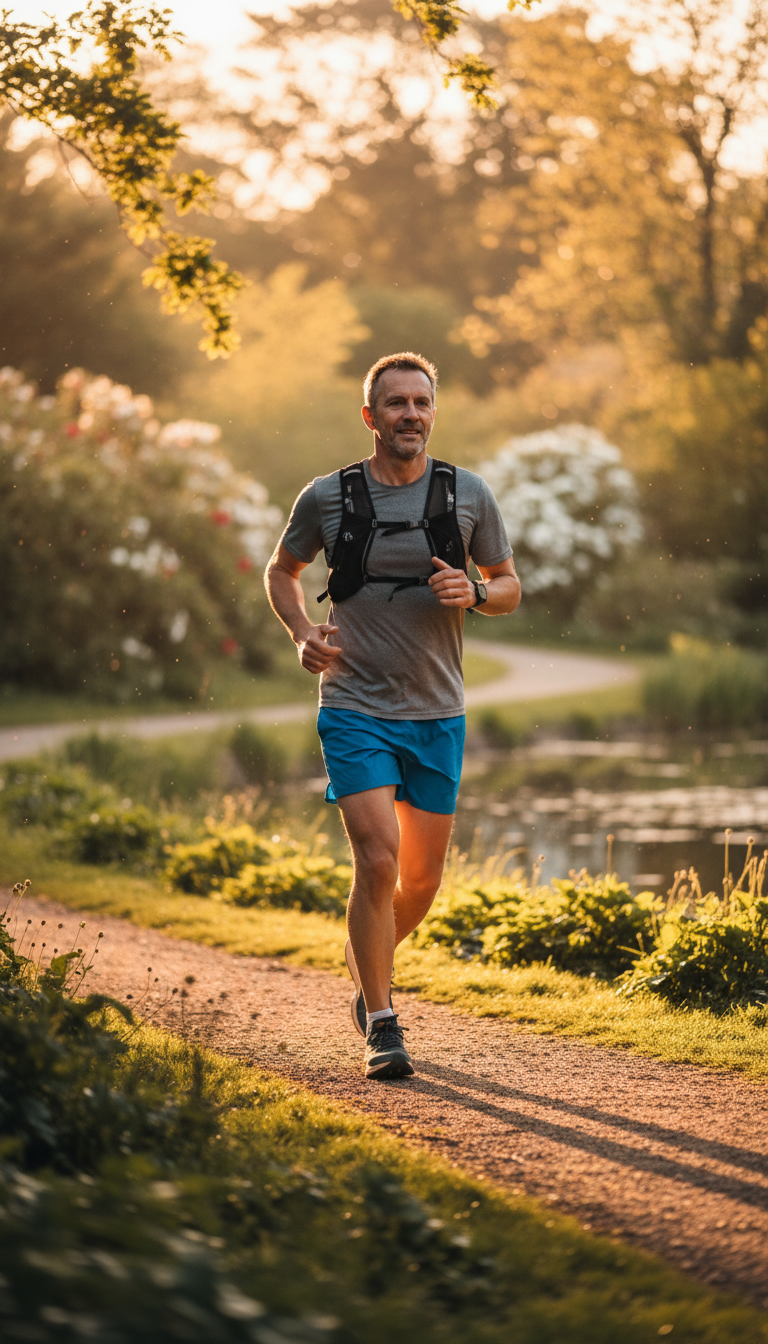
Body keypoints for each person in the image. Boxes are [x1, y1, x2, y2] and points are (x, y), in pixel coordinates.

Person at [264, 352, 520, 1080]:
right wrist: (301, 634)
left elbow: (509, 587)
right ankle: (382, 1021)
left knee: (420, 883)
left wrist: (473, 593)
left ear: (433, 414)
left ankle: (364, 963)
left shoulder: (467, 495)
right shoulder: (328, 496)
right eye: (396, 403)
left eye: (422, 402)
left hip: (439, 712)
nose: (411, 413)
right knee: (376, 861)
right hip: (354, 707)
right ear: (371, 417)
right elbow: (281, 571)